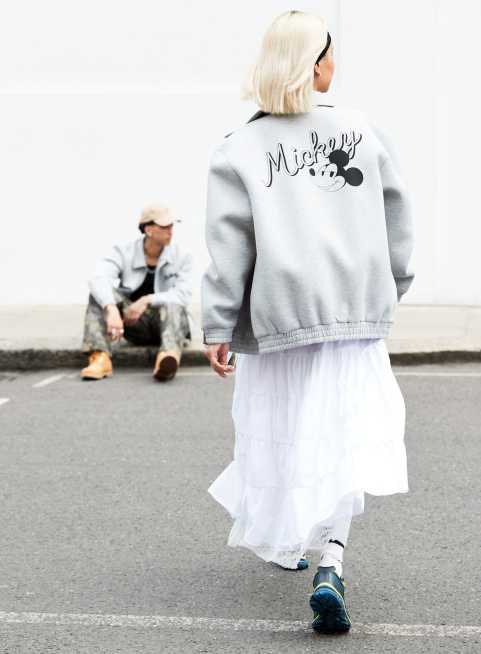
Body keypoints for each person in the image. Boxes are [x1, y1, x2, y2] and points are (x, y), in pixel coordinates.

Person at [200, 10, 415, 634]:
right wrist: (392, 285)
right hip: (352, 313)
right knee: (341, 437)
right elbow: (396, 218)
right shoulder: (360, 130)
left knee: (289, 432)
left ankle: (291, 539)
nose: (334, 64)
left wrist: (218, 325)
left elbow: (229, 245)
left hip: (279, 319)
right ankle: (331, 563)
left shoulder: (239, 146)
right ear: (313, 64)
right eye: (329, 53)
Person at [81, 203, 193, 382]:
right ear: (148, 230)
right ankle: (100, 357)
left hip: (171, 325)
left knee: (173, 303)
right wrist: (111, 308)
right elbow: (98, 278)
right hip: (134, 323)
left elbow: (184, 294)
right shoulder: (124, 251)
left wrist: (147, 300)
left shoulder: (182, 255)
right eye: (165, 226)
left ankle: (167, 358)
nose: (171, 230)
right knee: (100, 295)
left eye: (172, 225)